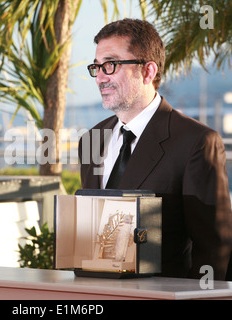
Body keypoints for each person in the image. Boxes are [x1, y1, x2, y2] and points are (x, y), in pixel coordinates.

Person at [78, 18, 232, 280]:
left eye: (110, 65)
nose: (100, 77)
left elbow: (214, 248)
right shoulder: (92, 139)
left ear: (148, 72)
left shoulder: (197, 141)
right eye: (96, 66)